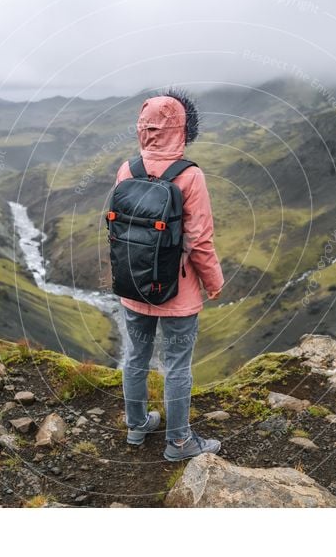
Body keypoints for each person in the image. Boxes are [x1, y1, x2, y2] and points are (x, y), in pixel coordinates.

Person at [114, 89, 224, 462]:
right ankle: (179, 442)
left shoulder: (127, 170)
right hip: (178, 294)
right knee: (177, 366)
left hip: (133, 285)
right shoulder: (190, 176)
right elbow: (199, 241)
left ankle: (136, 424)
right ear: (183, 128)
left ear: (144, 129)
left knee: (135, 357)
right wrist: (214, 283)